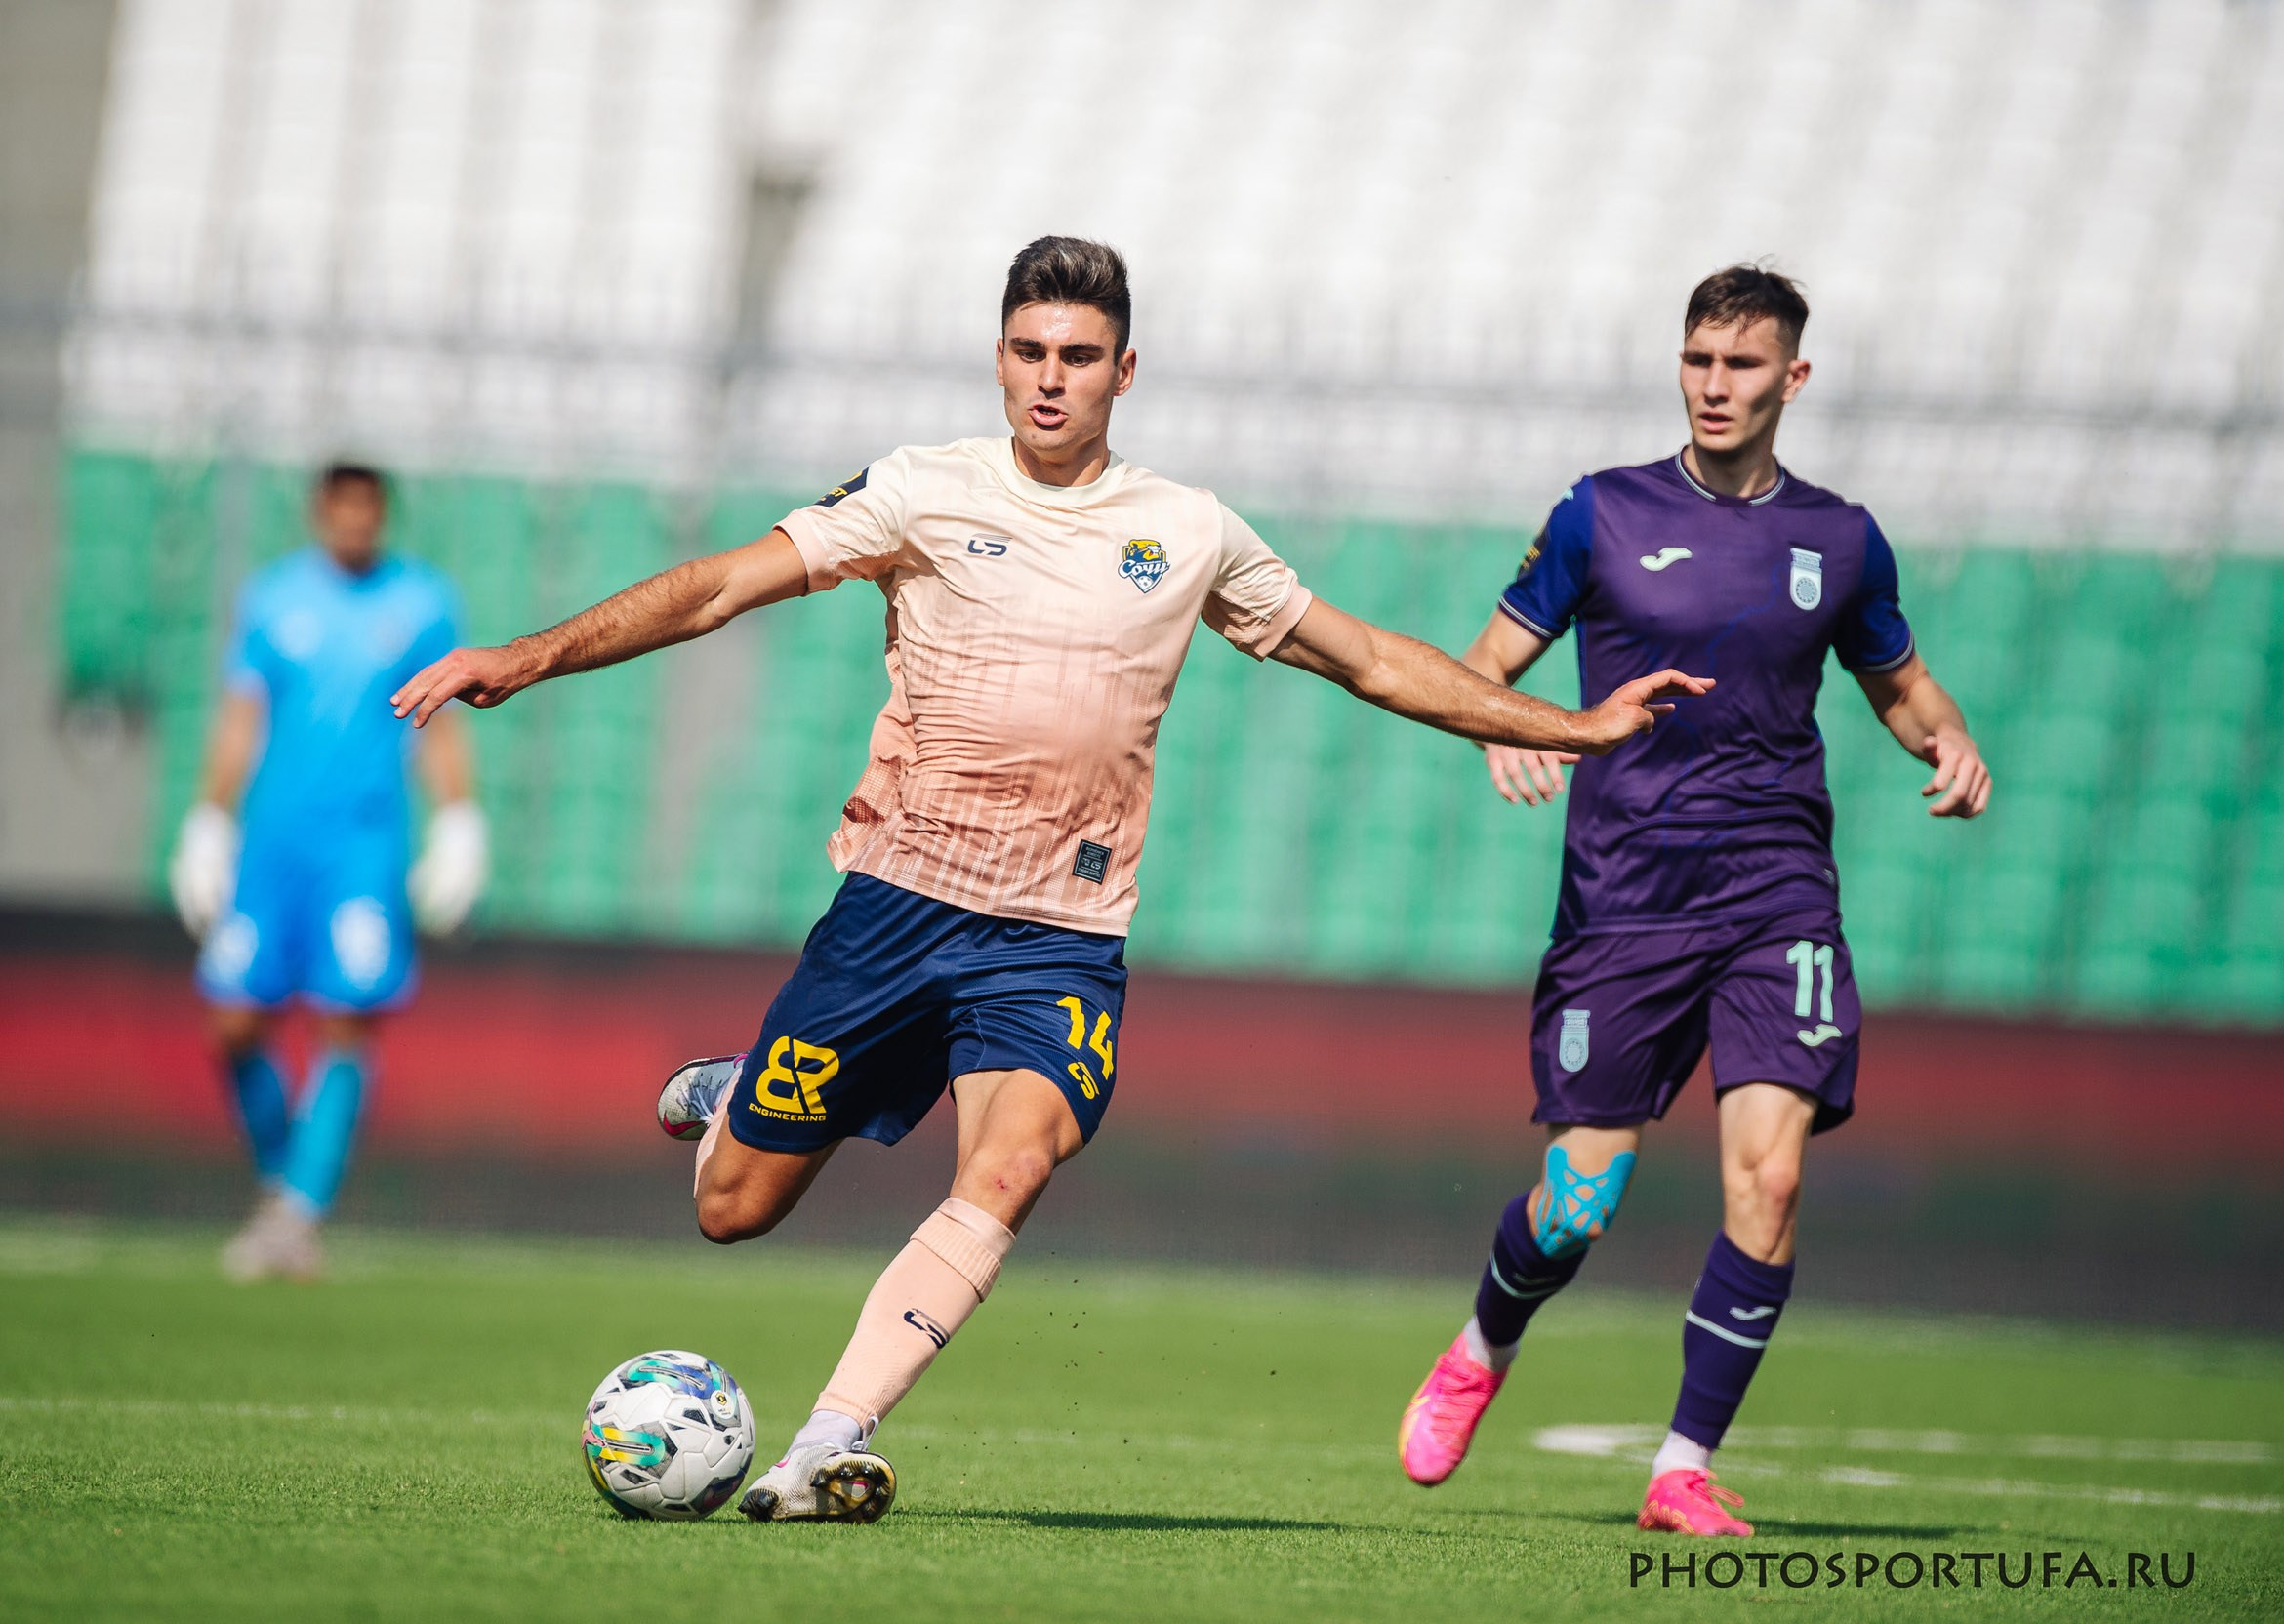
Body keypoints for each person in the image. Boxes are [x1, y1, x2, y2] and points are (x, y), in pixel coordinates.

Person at [392, 236, 1708, 1523]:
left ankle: (826, 1447)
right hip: (895, 911)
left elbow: (1364, 657)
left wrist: (1567, 727)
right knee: (735, 1208)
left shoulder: (1185, 531)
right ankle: (745, 1095)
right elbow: (717, 588)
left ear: (1124, 370)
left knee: (1012, 1164)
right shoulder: (921, 490)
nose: (1049, 376)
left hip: (1058, 935)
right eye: (1028, 349)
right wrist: (530, 653)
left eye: (1079, 354)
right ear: (1000, 356)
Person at [1394, 265, 1992, 1536]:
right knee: (1578, 1205)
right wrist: (1520, 728)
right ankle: (1486, 1340)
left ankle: (1682, 1467)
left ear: (1794, 379)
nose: (1717, 386)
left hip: (1777, 897)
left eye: (1744, 366)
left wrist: (1947, 740)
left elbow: (1900, 680)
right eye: (1700, 361)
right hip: (1626, 903)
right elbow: (1487, 668)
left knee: (1767, 1183)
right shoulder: (1600, 513)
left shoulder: (1840, 538)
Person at [171, 463, 487, 1281]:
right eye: (340, 510)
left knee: (346, 1019)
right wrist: (210, 819)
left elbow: (439, 722)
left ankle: (298, 1211)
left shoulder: (419, 601)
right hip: (272, 843)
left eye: (366, 511)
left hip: (362, 846)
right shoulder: (274, 598)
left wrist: (458, 821)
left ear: (380, 515)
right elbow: (243, 715)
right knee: (235, 1020)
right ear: (320, 512)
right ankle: (283, 1184)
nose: (354, 524)